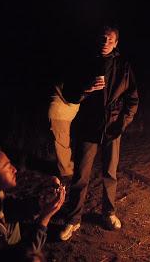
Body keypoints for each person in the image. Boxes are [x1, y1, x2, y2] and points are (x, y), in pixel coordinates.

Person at [59, 24, 139, 241]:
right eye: (102, 39)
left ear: (116, 43)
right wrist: (86, 88)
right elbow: (70, 94)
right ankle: (73, 219)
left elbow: (132, 98)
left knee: (110, 174)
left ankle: (109, 213)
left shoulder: (123, 66)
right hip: (88, 126)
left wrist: (122, 122)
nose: (105, 43)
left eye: (110, 40)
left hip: (113, 127)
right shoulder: (85, 62)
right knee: (81, 175)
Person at [0, 147, 65, 261]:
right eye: (8, 167)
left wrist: (40, 204)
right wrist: (44, 219)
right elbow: (23, 257)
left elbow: (9, 207)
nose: (15, 169)